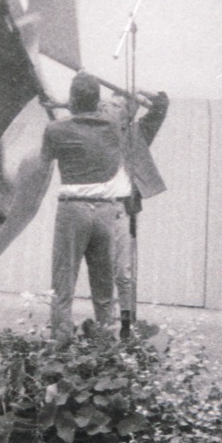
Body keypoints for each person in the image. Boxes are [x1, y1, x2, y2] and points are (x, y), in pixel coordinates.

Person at [41, 72, 169, 340]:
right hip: (106, 209)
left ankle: (126, 326)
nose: (112, 109)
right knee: (111, 276)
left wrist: (145, 92)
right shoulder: (106, 127)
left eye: (119, 105)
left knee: (122, 275)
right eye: (108, 105)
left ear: (128, 111)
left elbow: (158, 108)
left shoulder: (134, 133)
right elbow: (85, 111)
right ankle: (115, 329)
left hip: (120, 208)